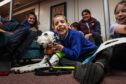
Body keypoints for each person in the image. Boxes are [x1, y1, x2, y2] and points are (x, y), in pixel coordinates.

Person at [52, 14, 110, 84]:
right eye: (56, 23)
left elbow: (75, 54)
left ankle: (98, 66)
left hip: (92, 53)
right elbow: (69, 52)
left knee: (105, 52)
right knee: (62, 60)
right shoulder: (59, 37)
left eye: (62, 22)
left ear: (68, 25)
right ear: (54, 28)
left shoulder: (75, 34)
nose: (59, 24)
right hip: (82, 57)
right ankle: (85, 67)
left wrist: (62, 48)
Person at [109, 0, 126, 70]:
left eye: (124, 11)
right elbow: (114, 28)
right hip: (116, 65)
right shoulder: (113, 26)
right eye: (117, 13)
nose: (120, 14)